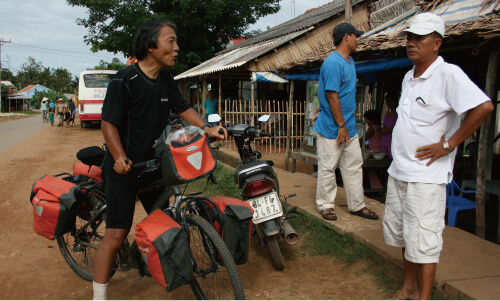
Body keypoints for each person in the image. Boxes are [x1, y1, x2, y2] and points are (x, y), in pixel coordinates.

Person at [92, 19, 226, 300]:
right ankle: (99, 295)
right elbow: (108, 123)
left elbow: (182, 108)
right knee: (116, 236)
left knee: (164, 218)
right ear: (151, 45)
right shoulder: (124, 79)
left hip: (151, 164)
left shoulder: (165, 80)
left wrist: (206, 129)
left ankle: (154, 260)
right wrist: (118, 157)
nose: (177, 48)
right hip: (123, 168)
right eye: (171, 41)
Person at [383, 13, 493, 300]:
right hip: (400, 171)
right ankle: (409, 287)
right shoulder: (409, 76)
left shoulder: (449, 74)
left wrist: (449, 144)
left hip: (426, 175)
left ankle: (424, 296)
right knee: (407, 235)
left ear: (436, 43)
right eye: (409, 37)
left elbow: (483, 107)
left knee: (425, 239)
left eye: (419, 37)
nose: (411, 43)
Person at [313, 22, 378, 221]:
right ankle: (325, 205)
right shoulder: (333, 63)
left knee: (353, 166)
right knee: (327, 167)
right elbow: (332, 96)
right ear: (347, 37)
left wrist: (346, 127)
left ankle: (357, 205)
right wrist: (341, 125)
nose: (358, 40)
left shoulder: (349, 62)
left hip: (348, 127)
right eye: (355, 36)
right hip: (333, 128)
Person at [378, 91, 399, 159]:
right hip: (384, 142)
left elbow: (402, 129)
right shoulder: (387, 115)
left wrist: (388, 130)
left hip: (394, 142)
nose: (389, 103)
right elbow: (384, 127)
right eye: (387, 101)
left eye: (391, 100)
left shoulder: (399, 114)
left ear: (396, 100)